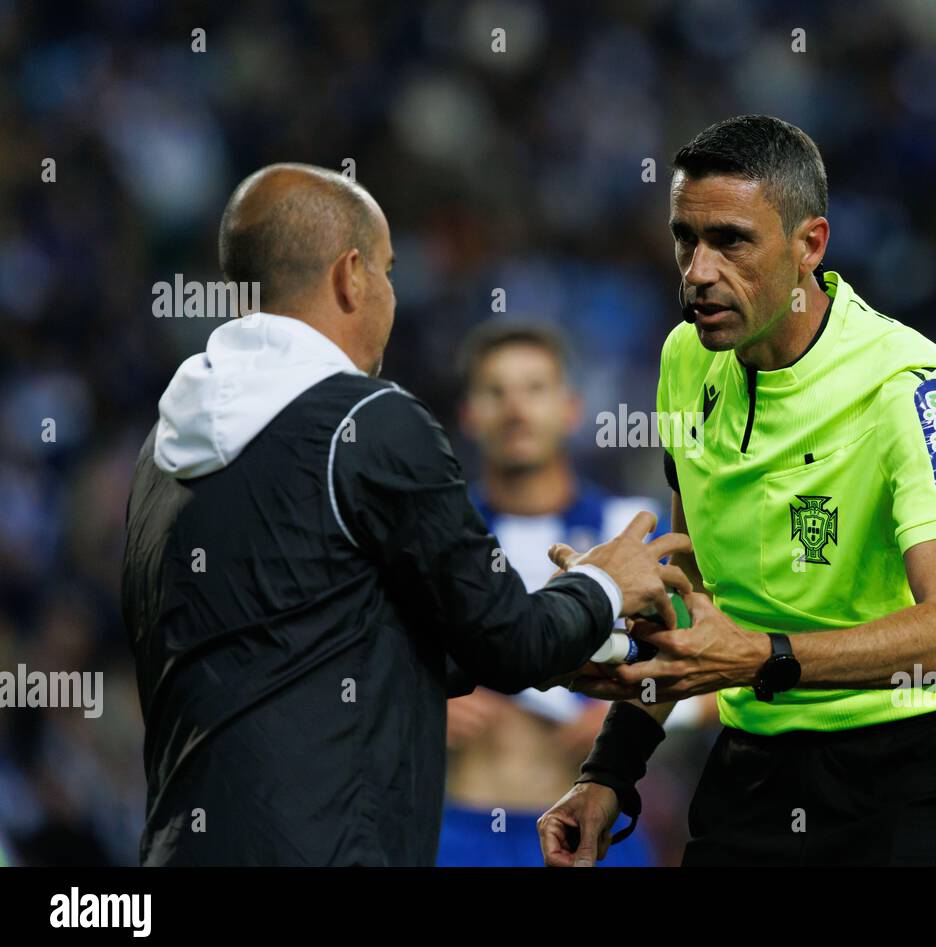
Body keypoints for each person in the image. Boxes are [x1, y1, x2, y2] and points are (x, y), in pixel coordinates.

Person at [121, 163, 691, 865]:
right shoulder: (370, 420)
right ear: (351, 276)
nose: (392, 297)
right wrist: (603, 587)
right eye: (389, 272)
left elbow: (304, 638)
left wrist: (582, 647)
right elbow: (511, 642)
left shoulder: (159, 450)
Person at [538, 116, 936, 866]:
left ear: (809, 245)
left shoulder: (908, 386)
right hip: (757, 763)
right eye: (684, 238)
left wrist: (760, 654)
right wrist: (610, 771)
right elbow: (687, 584)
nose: (697, 270)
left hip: (913, 768)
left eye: (730, 241)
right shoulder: (685, 360)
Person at [437, 321, 695, 867]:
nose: (515, 409)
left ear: (571, 408)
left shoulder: (628, 529)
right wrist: (421, 700)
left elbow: (715, 662)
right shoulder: (437, 536)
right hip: (459, 828)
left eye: (534, 389)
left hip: (594, 828)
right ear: (469, 414)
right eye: (495, 391)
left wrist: (633, 705)